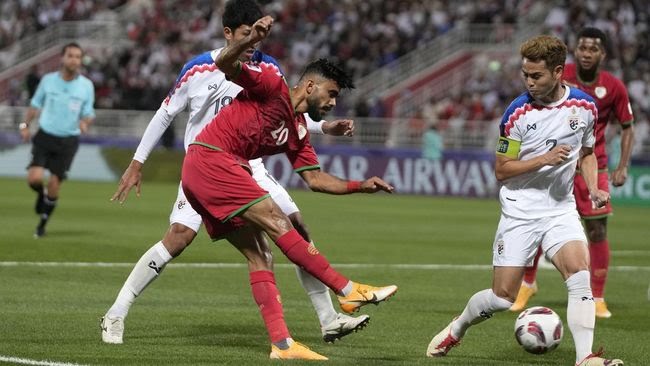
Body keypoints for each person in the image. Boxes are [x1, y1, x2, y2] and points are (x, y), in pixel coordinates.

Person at [101, 0, 372, 354]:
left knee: (295, 225)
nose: (255, 41)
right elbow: (165, 113)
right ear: (229, 33)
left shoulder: (268, 67)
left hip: (250, 164)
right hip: (208, 163)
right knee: (179, 237)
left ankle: (327, 318)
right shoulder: (198, 69)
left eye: (259, 34)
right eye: (247, 34)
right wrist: (138, 162)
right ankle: (116, 312)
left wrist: (322, 127)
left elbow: (286, 112)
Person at [180, 15, 398, 360]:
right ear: (310, 87)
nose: (332, 103)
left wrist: (360, 186)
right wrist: (251, 37)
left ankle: (282, 345)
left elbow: (315, 179)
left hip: (208, 171)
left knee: (260, 254)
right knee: (278, 219)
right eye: (331, 94)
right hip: (213, 159)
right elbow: (223, 61)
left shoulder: (297, 130)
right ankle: (347, 289)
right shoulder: (271, 83)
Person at [426, 35, 623, 366]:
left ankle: (585, 357)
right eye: (525, 75)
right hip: (520, 212)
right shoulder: (517, 114)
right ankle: (457, 327)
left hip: (560, 210)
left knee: (579, 275)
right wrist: (543, 159)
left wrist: (593, 187)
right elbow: (502, 171)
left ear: (559, 72)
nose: (529, 82)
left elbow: (587, 154)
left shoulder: (585, 107)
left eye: (536, 76)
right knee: (502, 298)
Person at [511, 27, 635, 319]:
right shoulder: (558, 72)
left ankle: (598, 297)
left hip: (594, 163)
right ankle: (527, 283)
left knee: (597, 230)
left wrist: (623, 165)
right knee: (538, 224)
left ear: (603, 54)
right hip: (557, 164)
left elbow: (628, 127)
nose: (586, 53)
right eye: (582, 48)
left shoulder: (614, 87)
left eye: (593, 49)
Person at [19, 42, 95, 238]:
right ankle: (40, 194)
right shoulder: (48, 81)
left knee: (54, 184)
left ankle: (42, 224)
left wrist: (85, 123)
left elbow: (89, 113)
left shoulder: (86, 86)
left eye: (78, 57)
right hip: (45, 135)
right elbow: (35, 105)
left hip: (68, 140)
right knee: (34, 179)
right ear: (62, 58)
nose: (74, 60)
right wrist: (25, 126)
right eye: (70, 55)